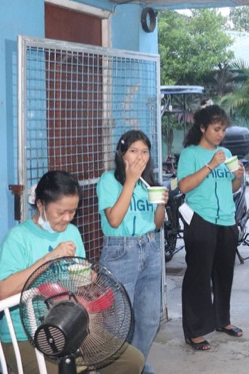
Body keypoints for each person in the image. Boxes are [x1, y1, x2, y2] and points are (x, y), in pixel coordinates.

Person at [0, 170, 144, 374]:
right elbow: (2, 292)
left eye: (72, 211)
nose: (67, 218)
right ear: (40, 204)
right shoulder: (17, 238)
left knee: (133, 361)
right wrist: (48, 259)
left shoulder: (72, 233)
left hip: (71, 327)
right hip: (24, 337)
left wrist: (88, 279)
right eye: (60, 212)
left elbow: (78, 286)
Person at [97, 130, 165, 373]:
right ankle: (113, 368)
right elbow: (114, 220)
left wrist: (160, 204)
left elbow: (157, 224)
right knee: (118, 320)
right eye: (133, 151)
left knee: (148, 319)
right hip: (120, 251)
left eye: (145, 152)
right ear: (121, 154)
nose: (140, 157)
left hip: (149, 247)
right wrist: (130, 181)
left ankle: (135, 366)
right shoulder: (109, 181)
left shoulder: (150, 183)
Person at [177, 105, 245, 351]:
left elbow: (232, 188)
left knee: (224, 274)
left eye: (223, 129)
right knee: (198, 276)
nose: (221, 134)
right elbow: (183, 186)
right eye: (216, 129)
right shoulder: (190, 154)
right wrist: (209, 166)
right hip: (201, 219)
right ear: (203, 128)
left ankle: (222, 320)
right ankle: (193, 331)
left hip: (227, 220)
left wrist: (238, 175)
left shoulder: (226, 152)